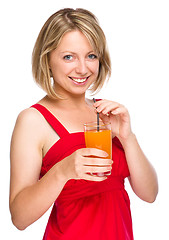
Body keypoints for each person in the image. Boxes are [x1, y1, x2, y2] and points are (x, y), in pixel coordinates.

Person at [9, 8, 158, 240]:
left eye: (91, 56)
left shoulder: (106, 114)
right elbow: (19, 218)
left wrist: (128, 138)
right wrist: (63, 171)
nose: (82, 68)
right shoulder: (33, 120)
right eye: (69, 57)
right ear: (47, 59)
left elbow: (150, 194)